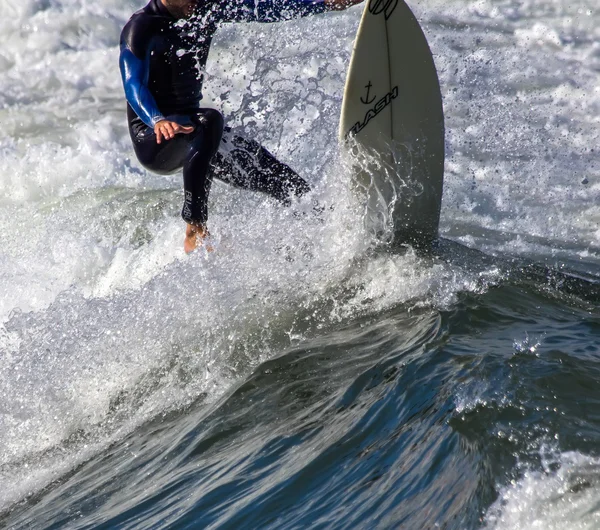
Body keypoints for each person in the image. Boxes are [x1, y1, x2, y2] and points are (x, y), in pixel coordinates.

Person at [119, 0, 363, 253]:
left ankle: (333, 235)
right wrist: (157, 120)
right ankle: (194, 226)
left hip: (200, 135)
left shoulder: (205, 8)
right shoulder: (141, 27)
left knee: (283, 181)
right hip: (155, 138)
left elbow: (266, 8)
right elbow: (133, 85)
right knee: (210, 120)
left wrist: (325, 4)